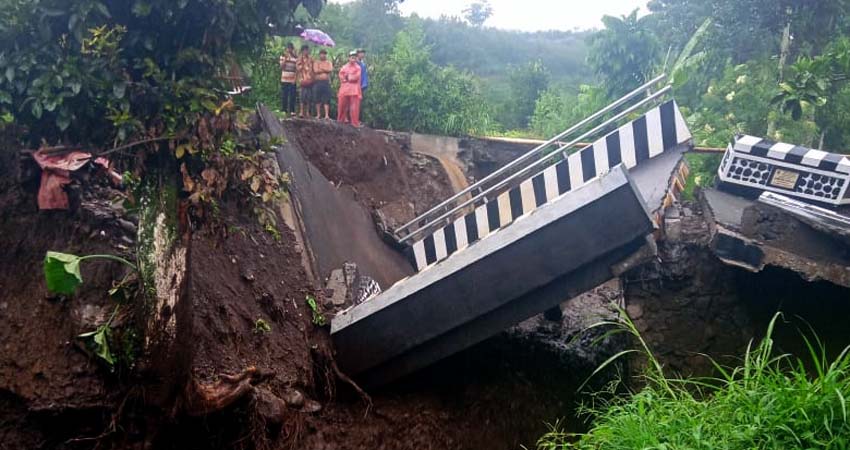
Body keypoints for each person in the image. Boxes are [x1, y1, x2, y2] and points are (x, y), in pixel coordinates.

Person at [337, 50, 363, 127]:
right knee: (342, 105)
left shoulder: (358, 67)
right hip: (344, 89)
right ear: (349, 58)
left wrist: (348, 77)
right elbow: (341, 76)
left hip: (354, 89)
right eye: (352, 57)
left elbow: (355, 77)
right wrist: (347, 77)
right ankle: (340, 121)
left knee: (354, 108)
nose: (353, 59)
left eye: (354, 58)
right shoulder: (344, 67)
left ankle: (355, 123)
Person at [312, 49, 333, 120]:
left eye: (324, 54)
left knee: (326, 99)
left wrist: (322, 69)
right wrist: (325, 70)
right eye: (321, 54)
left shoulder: (328, 62)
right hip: (318, 82)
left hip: (326, 82)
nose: (323, 55)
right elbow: (316, 70)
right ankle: (318, 114)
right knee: (317, 98)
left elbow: (330, 69)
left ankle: (326, 115)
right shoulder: (316, 62)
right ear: (319, 54)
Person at [279, 43, 298, 116]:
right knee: (284, 94)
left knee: (292, 95)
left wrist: (295, 79)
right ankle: (284, 109)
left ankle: (292, 110)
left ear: (292, 49)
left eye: (290, 48)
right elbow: (281, 67)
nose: (289, 50)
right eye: (288, 48)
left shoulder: (295, 58)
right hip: (284, 78)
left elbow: (296, 69)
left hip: (292, 78)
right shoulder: (283, 56)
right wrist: (286, 59)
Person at [296, 45, 314, 118]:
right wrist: (303, 65)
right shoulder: (299, 59)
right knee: (302, 96)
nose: (306, 52)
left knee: (309, 97)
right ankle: (301, 112)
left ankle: (307, 112)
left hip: (309, 79)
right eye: (305, 50)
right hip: (302, 79)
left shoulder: (311, 59)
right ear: (302, 51)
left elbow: (313, 68)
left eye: (307, 50)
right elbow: (298, 68)